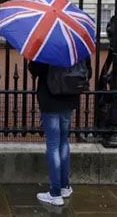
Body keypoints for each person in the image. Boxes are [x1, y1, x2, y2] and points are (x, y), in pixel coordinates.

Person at [29, 58, 91, 206]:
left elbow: (35, 69)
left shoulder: (46, 46)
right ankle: (65, 186)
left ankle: (55, 193)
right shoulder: (76, 44)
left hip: (50, 98)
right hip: (69, 97)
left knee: (53, 145)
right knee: (64, 141)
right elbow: (88, 71)